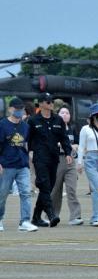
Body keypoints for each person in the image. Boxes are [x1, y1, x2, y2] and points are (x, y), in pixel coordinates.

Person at [27, 92, 73, 227]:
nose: (51, 104)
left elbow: (64, 138)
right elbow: (28, 139)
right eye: (48, 102)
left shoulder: (58, 120)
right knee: (44, 185)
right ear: (41, 104)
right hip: (40, 158)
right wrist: (29, 153)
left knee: (48, 187)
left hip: (54, 158)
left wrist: (69, 153)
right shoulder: (33, 120)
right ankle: (52, 214)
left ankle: (36, 217)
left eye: (52, 101)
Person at [0, 97, 38, 232]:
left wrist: (30, 158)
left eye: (21, 109)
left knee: (26, 193)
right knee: (2, 195)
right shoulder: (2, 125)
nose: (19, 112)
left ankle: (25, 221)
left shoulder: (25, 126)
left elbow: (27, 144)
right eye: (17, 109)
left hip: (22, 165)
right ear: (10, 109)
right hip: (6, 166)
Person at [52, 105, 83, 226]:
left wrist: (74, 146)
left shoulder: (72, 128)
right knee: (55, 190)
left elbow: (77, 144)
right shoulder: (54, 128)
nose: (65, 115)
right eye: (62, 113)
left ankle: (75, 216)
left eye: (67, 113)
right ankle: (52, 215)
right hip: (57, 160)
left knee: (71, 189)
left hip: (70, 161)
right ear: (57, 115)